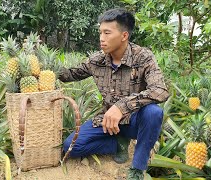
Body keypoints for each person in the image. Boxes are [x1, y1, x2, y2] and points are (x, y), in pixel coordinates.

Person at [59, 8, 169, 180]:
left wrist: (122, 106)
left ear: (124, 35)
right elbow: (70, 74)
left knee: (154, 112)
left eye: (107, 33)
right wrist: (41, 70)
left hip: (134, 120)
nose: (101, 38)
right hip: (107, 120)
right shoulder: (97, 60)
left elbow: (160, 91)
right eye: (100, 32)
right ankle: (117, 143)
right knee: (71, 147)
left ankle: (138, 168)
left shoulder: (143, 57)